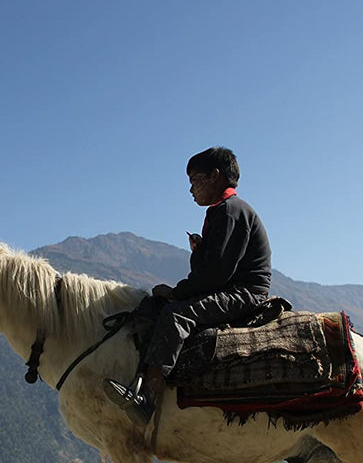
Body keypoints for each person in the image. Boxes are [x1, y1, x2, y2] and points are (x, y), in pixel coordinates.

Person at [104, 147, 272, 425]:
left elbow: (216, 275)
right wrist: (200, 251)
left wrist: (177, 291)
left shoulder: (230, 212)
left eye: (195, 180)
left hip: (245, 294)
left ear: (214, 177)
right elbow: (214, 268)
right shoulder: (225, 211)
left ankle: (149, 398)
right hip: (232, 288)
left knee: (176, 314)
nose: (191, 190)